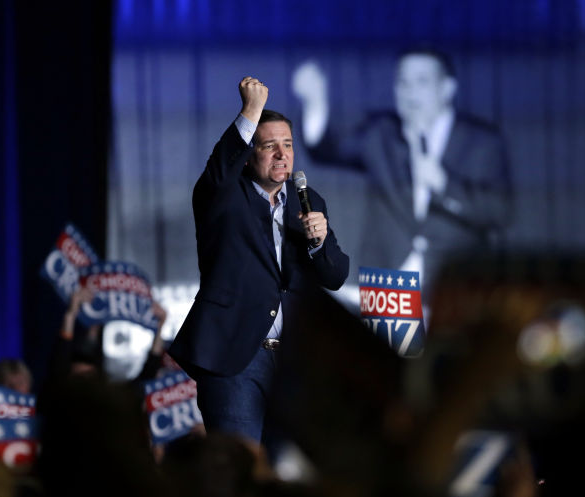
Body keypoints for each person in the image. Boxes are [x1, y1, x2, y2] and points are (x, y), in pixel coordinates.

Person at [168, 77, 349, 447]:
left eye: (288, 145)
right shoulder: (222, 194)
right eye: (269, 146)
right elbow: (221, 168)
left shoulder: (307, 199)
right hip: (237, 358)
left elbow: (334, 276)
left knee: (289, 471)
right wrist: (249, 110)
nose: (283, 154)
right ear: (249, 155)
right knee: (242, 468)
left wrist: (320, 241)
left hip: (296, 366)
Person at [292, 49, 512, 294]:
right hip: (386, 281)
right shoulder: (382, 134)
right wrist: (316, 100)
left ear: (447, 88)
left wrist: (444, 183)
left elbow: (499, 212)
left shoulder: (482, 142)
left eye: (421, 82)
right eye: (403, 82)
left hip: (457, 285)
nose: (410, 92)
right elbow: (327, 147)